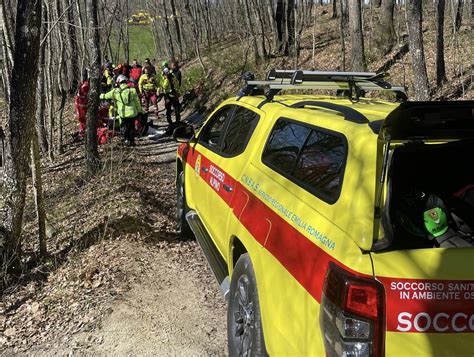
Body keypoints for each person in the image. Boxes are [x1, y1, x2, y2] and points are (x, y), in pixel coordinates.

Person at [100, 75, 143, 146]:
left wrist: (99, 96)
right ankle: (132, 141)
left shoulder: (115, 91)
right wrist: (140, 110)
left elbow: (105, 96)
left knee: (124, 127)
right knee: (131, 127)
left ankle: (126, 140)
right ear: (126, 82)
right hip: (132, 113)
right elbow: (137, 102)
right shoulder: (132, 90)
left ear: (119, 82)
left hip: (122, 114)